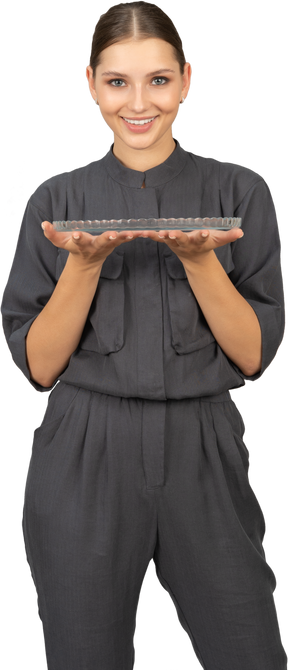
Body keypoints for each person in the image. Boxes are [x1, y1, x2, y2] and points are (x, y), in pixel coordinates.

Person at [1, 1, 287, 669]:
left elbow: (253, 354)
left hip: (205, 446)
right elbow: (39, 367)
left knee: (249, 652)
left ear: (187, 80)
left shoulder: (244, 190)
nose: (140, 103)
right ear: (90, 84)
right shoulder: (56, 201)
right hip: (83, 452)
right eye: (118, 81)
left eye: (158, 80)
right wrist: (84, 264)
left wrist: (198, 259)